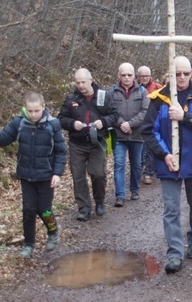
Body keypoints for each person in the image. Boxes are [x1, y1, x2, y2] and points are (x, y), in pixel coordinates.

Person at [142, 56, 192, 273]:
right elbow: (148, 130)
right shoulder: (159, 98)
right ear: (170, 74)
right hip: (169, 163)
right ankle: (175, 253)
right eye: (177, 74)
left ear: (191, 74)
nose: (182, 77)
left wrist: (184, 117)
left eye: (186, 73)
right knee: (171, 209)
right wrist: (164, 154)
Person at [0, 92, 67, 258]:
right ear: (25, 108)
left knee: (44, 209)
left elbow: (61, 151)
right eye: (30, 110)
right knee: (28, 210)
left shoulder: (52, 125)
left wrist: (57, 173)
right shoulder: (19, 123)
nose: (33, 114)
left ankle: (53, 231)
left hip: (46, 176)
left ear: (43, 107)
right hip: (26, 175)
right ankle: (29, 244)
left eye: (36, 111)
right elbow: (4, 140)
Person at [58, 68, 118, 221]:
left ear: (91, 80)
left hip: (97, 142)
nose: (81, 85)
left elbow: (114, 115)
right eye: (78, 82)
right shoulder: (71, 98)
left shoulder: (104, 96)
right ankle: (84, 208)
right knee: (78, 177)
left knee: (98, 174)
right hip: (77, 143)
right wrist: (72, 124)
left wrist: (103, 122)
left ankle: (99, 201)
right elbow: (61, 118)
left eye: (83, 82)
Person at [109, 63, 149, 206]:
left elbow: (145, 112)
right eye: (123, 75)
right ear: (118, 75)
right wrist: (122, 124)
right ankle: (120, 195)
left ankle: (134, 189)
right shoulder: (112, 91)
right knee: (119, 164)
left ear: (134, 76)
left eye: (129, 75)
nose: (126, 78)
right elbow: (110, 111)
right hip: (118, 135)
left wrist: (130, 124)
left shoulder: (142, 92)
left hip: (137, 135)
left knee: (136, 164)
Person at [138, 65, 163, 184]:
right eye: (142, 76)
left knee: (149, 149)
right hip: (137, 123)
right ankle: (139, 169)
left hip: (152, 122)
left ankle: (147, 173)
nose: (144, 78)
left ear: (150, 76)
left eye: (146, 76)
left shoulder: (157, 88)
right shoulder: (134, 88)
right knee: (139, 149)